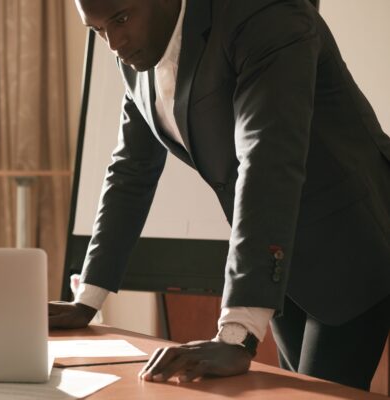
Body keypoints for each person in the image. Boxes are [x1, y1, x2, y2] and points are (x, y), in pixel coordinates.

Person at [49, 0, 390, 391]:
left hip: (350, 241)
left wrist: (237, 336)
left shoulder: (265, 15)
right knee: (293, 389)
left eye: (121, 20)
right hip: (278, 256)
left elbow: (267, 160)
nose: (114, 43)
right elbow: (131, 170)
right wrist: (88, 299)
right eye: (98, 30)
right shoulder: (135, 51)